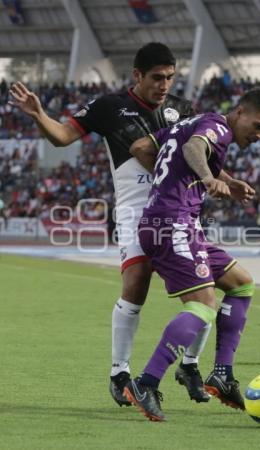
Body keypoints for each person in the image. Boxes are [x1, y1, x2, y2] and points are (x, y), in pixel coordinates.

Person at [9, 42, 212, 407]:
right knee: (136, 283)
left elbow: (197, 156)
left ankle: (192, 365)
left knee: (206, 290)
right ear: (137, 75)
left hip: (179, 211)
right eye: (156, 77)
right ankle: (120, 373)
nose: (164, 84)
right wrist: (39, 115)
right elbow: (63, 136)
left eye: (170, 77)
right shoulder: (107, 107)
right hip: (136, 212)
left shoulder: (183, 110)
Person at [124, 88, 260, 421]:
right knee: (203, 306)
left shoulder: (189, 123)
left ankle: (221, 374)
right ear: (239, 112)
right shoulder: (218, 128)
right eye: (258, 126)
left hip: (175, 222)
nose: (258, 136)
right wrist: (207, 179)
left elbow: (140, 147)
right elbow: (196, 148)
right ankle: (146, 382)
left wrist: (224, 179)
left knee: (241, 284)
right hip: (172, 223)